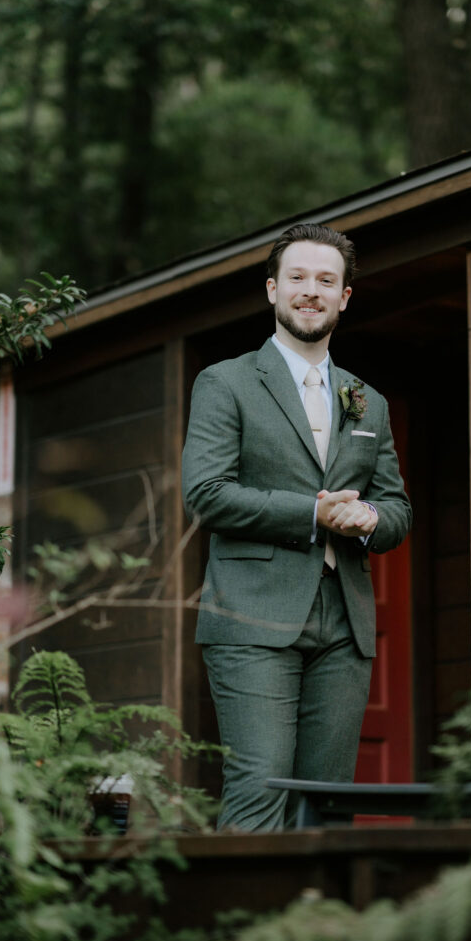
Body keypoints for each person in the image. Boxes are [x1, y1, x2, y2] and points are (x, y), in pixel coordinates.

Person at [182, 222, 412, 831]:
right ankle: (245, 924)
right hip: (253, 615)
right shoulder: (225, 382)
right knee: (259, 792)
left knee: (326, 806)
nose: (311, 291)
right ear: (272, 290)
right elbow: (205, 495)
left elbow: (397, 511)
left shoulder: (368, 400)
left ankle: (317, 927)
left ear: (344, 298)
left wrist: (366, 520)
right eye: (298, 278)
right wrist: (313, 511)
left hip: (345, 620)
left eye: (326, 280)